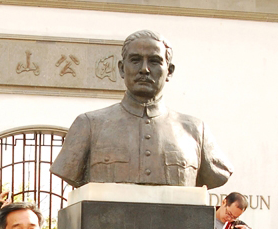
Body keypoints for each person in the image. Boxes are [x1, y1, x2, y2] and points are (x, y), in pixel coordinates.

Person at [50, 30, 232, 188]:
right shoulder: (89, 124)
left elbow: (217, 175)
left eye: (154, 61)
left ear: (169, 71)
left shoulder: (195, 130)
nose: (144, 69)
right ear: (122, 69)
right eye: (135, 60)